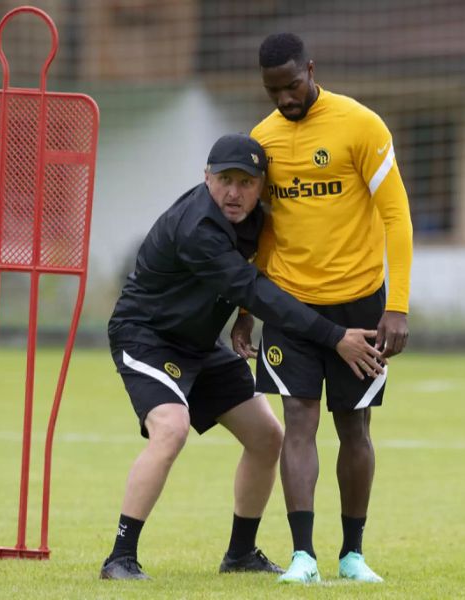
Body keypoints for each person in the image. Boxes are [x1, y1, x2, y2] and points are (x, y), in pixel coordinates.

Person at [100, 133, 386, 580]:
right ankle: (120, 557)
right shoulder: (198, 229)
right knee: (171, 428)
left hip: (199, 343)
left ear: (261, 186)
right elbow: (255, 290)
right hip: (147, 336)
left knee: (267, 436)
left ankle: (240, 554)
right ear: (206, 178)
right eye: (224, 180)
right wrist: (334, 337)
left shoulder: (255, 218)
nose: (234, 193)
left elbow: (261, 271)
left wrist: (241, 319)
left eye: (246, 182)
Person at [230, 33, 414, 584]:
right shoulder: (262, 140)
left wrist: (397, 305)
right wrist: (247, 308)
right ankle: (303, 556)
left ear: (310, 69)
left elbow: (396, 216)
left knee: (354, 425)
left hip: (359, 303)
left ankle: (352, 554)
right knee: (298, 422)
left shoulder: (361, 125)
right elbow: (263, 232)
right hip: (288, 305)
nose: (285, 98)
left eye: (292, 84)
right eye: (273, 90)